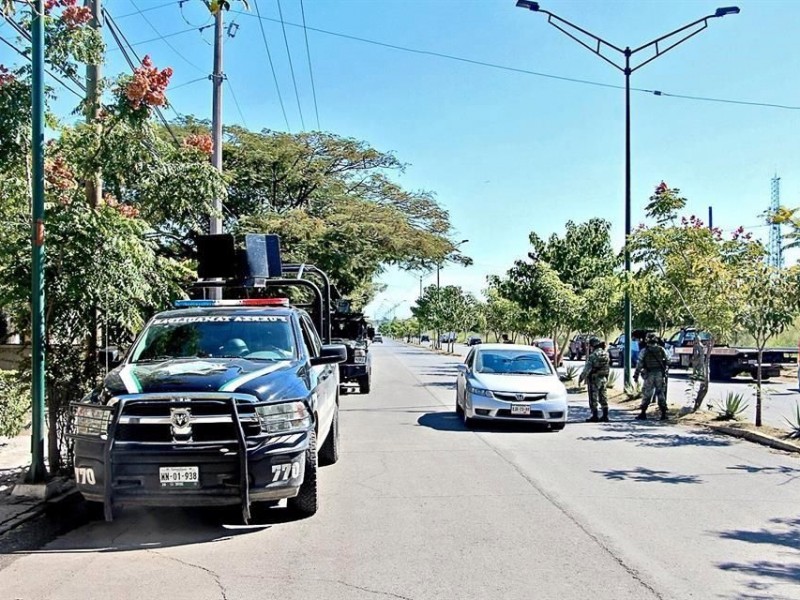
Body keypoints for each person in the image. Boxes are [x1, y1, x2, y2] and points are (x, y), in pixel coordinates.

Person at [633, 332, 670, 421]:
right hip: (659, 374)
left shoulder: (644, 351)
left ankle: (643, 413)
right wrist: (664, 370)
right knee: (661, 393)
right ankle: (663, 414)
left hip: (649, 374)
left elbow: (639, 363)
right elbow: (668, 361)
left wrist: (636, 374)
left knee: (647, 393)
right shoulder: (661, 349)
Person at [578, 337, 610, 422]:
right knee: (603, 397)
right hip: (603, 378)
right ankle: (605, 415)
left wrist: (581, 377)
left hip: (594, 379)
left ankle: (595, 416)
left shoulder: (593, 355)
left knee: (593, 397)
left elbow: (587, 368)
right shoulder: (606, 354)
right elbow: (607, 367)